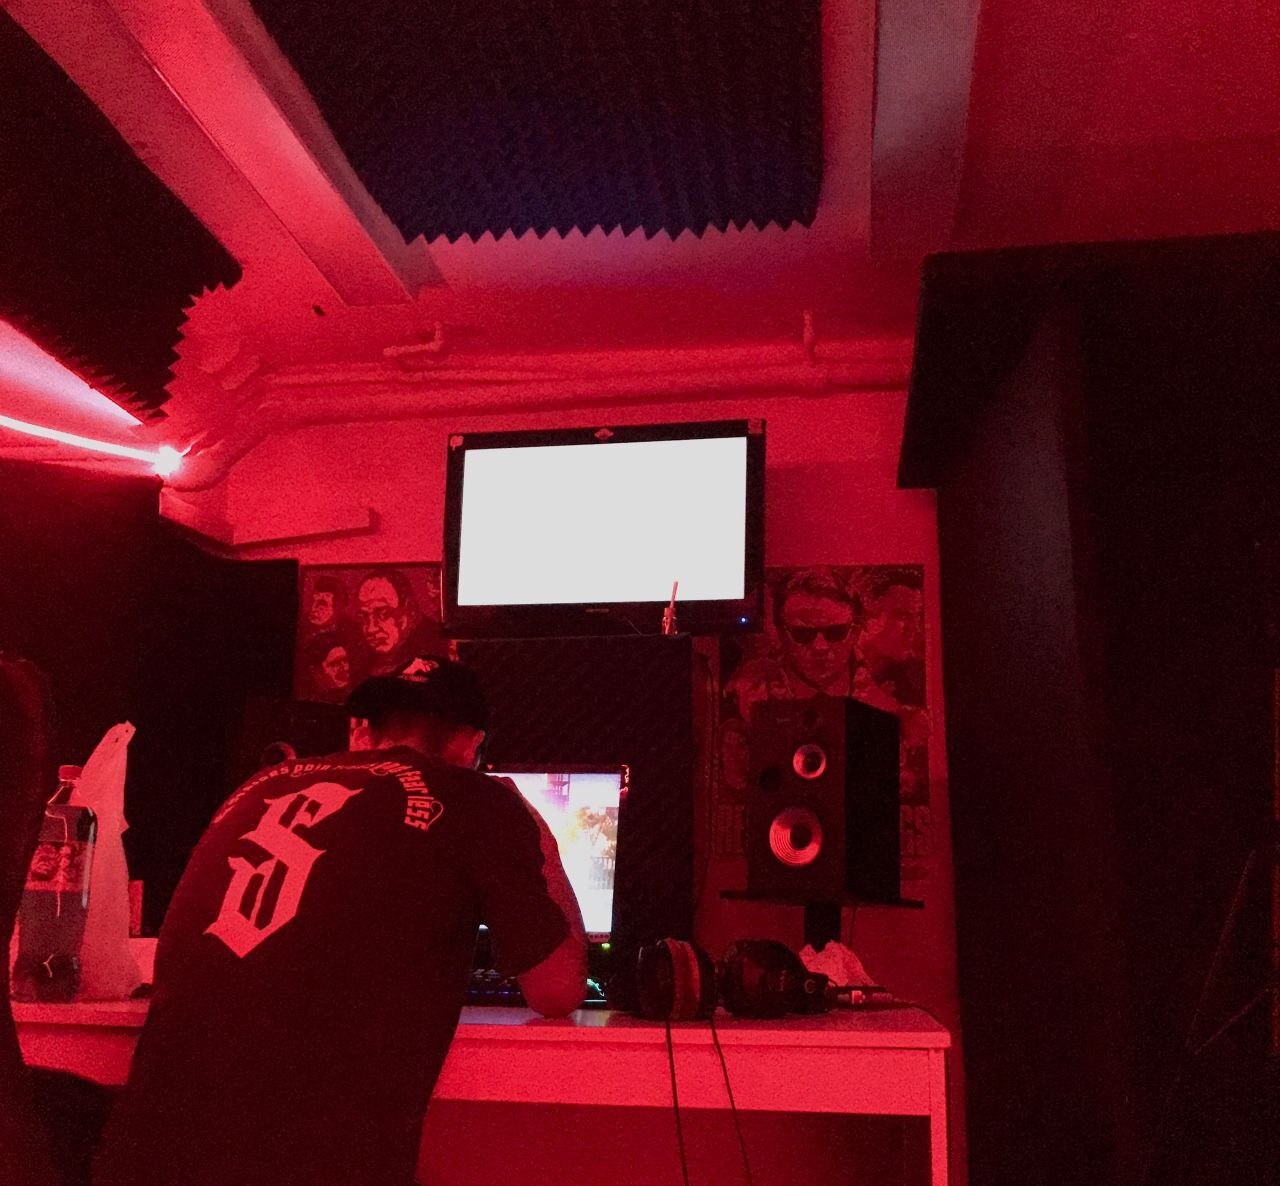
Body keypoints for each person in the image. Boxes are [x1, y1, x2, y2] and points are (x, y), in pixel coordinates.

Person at [93, 656, 586, 1186]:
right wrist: (539, 834)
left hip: (138, 1157)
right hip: (305, 1163)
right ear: (470, 745)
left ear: (363, 733)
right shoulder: (478, 798)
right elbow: (557, 990)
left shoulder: (259, 786)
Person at [773, 566, 863, 698]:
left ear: (855, 633)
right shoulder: (750, 696)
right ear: (782, 635)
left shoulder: (886, 698)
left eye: (835, 632)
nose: (820, 647)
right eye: (803, 634)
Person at [354, 569, 446, 677]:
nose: (371, 629)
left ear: (410, 610)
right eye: (363, 617)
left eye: (384, 614)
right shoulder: (362, 658)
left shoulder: (435, 647)